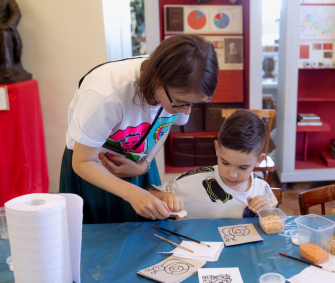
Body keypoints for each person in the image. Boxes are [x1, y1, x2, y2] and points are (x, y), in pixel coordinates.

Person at [60, 34, 219, 224]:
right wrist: (132, 193)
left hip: (137, 163)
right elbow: (82, 162)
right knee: (101, 241)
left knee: (146, 237)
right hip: (94, 170)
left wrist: (144, 164)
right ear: (157, 79)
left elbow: (164, 125)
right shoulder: (106, 94)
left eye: (195, 103)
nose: (186, 112)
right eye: (180, 103)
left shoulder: (179, 92)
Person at [148, 110, 278, 219]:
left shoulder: (263, 189)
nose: (232, 174)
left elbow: (274, 223)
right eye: (225, 163)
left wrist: (266, 212)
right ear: (216, 148)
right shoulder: (191, 181)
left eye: (243, 167)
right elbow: (148, 195)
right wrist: (164, 196)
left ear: (259, 160)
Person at [0, 0, 31, 83]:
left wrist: (7, 25)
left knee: (4, 34)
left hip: (5, 28)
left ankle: (7, 68)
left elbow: (16, 13)